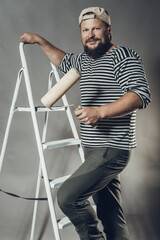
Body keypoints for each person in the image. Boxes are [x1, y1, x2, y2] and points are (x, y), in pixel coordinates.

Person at [20, 7, 151, 240]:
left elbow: (140, 95)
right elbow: (61, 59)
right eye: (85, 30)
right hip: (94, 150)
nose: (90, 34)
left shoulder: (123, 56)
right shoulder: (84, 60)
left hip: (112, 148)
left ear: (108, 30)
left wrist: (100, 112)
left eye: (96, 28)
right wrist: (40, 41)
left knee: (68, 198)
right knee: (110, 211)